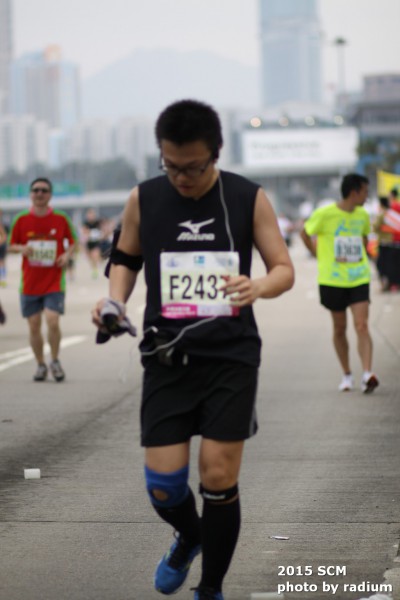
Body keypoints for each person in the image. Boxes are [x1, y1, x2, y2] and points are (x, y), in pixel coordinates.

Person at [92, 99, 294, 600]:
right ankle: (190, 535)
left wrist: (258, 286)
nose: (181, 177)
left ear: (215, 153)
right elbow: (126, 257)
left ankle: (210, 588)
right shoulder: (144, 198)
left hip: (231, 355)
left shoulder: (248, 197)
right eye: (171, 166)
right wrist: (113, 301)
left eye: (193, 167)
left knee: (218, 476)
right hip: (167, 356)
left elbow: (283, 269)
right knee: (163, 485)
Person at [300, 173, 379, 394]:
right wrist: (317, 254)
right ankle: (347, 374)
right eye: (365, 192)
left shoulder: (363, 215)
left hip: (358, 277)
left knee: (362, 325)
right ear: (354, 192)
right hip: (332, 279)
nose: (367, 196)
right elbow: (305, 233)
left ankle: (367, 374)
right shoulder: (324, 214)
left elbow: (364, 238)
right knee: (340, 327)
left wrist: (361, 256)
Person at [8, 177, 78, 381]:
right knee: (34, 325)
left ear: (50, 195)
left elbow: (74, 242)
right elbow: (11, 245)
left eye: (44, 190)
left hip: (54, 281)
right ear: (31, 194)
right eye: (36, 190)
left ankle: (54, 360)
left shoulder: (61, 218)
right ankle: (40, 364)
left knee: (52, 320)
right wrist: (22, 248)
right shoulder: (21, 219)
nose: (39, 194)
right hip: (29, 283)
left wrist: (66, 255)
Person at [81, 208, 104, 279]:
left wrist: (100, 235)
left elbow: (101, 231)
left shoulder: (97, 223)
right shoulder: (85, 223)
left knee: (95, 254)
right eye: (89, 215)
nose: (90, 216)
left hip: (96, 242)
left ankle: (97, 266)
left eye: (92, 215)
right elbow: (84, 232)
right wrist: (87, 234)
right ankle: (94, 269)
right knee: (91, 258)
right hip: (89, 243)